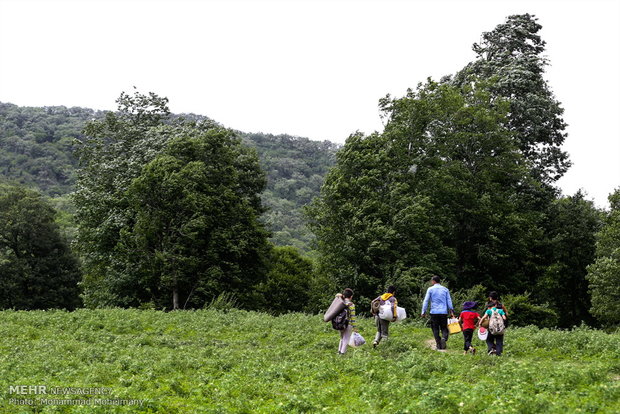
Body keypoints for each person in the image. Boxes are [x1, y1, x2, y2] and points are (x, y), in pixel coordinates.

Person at [421, 275, 455, 350]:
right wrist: (451, 310)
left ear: (433, 281)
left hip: (434, 312)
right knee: (444, 327)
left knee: (435, 328)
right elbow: (449, 301)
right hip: (443, 312)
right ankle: (444, 338)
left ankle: (438, 344)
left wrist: (423, 311)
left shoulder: (430, 289)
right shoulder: (445, 289)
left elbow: (426, 301)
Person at [335, 288, 357, 355]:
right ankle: (342, 353)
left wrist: (341, 295)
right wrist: (355, 327)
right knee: (346, 339)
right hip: (348, 324)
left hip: (340, 323)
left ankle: (339, 352)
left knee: (342, 338)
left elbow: (337, 295)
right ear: (351, 297)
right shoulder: (351, 305)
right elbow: (353, 317)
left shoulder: (340, 302)